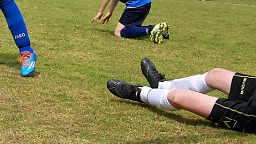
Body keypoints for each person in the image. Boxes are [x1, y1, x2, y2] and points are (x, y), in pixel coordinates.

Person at [107, 57, 256, 134]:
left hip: (251, 114)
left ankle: (139, 93)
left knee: (177, 97)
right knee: (215, 74)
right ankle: (162, 85)